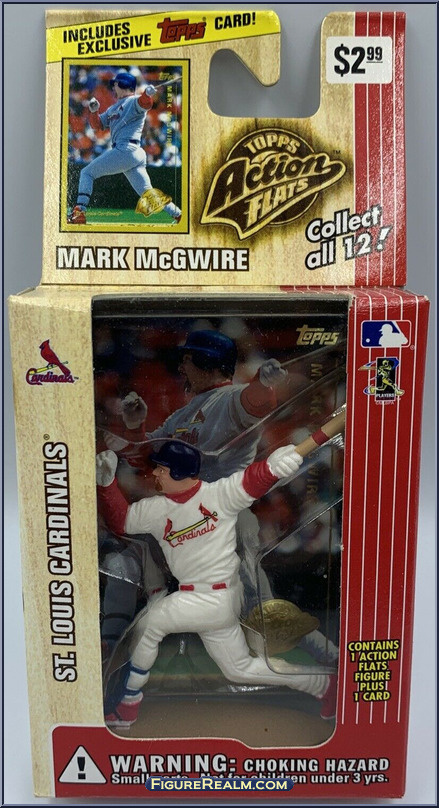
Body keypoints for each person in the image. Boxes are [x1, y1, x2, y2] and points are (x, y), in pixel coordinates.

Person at [99, 329, 339, 669]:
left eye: (186, 361)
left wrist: (263, 383)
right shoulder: (182, 415)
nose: (180, 368)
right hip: (180, 515)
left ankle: (328, 655)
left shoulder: (231, 399)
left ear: (207, 364)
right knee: (125, 565)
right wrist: (134, 425)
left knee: (258, 604)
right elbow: (145, 458)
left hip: (225, 515)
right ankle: (109, 647)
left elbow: (254, 404)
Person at [96, 440, 337, 728]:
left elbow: (251, 480)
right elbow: (121, 522)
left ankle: (128, 704)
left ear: (179, 472)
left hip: (213, 597)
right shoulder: (155, 509)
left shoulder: (218, 495)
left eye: (162, 469)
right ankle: (322, 684)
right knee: (239, 670)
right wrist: (107, 484)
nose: (155, 474)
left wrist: (273, 466)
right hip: (207, 601)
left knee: (150, 625)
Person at [68, 71, 181, 225]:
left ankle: (79, 212)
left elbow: (145, 104)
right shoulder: (113, 108)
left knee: (86, 173)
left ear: (123, 85)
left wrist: (147, 94)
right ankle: (178, 214)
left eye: (115, 85)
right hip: (132, 153)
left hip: (126, 149)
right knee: (148, 193)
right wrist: (94, 111)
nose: (113, 88)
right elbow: (97, 125)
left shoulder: (134, 101)